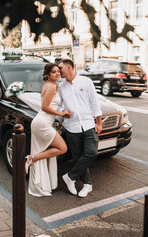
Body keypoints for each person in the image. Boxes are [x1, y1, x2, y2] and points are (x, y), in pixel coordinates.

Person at [57, 59, 102, 198]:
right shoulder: (61, 87)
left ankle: (70, 176)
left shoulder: (86, 81)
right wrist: (64, 111)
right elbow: (58, 106)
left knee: (91, 152)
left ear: (69, 67)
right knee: (77, 157)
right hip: (71, 127)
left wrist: (98, 122)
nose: (59, 71)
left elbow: (94, 102)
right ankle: (87, 185)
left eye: (61, 68)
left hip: (88, 124)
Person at [25, 63, 71, 197]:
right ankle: (32, 158)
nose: (57, 74)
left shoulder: (48, 85)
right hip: (43, 123)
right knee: (62, 148)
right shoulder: (51, 87)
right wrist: (61, 114)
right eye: (53, 72)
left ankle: (41, 184)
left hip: (41, 122)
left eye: (58, 72)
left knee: (43, 150)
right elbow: (45, 107)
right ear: (47, 74)